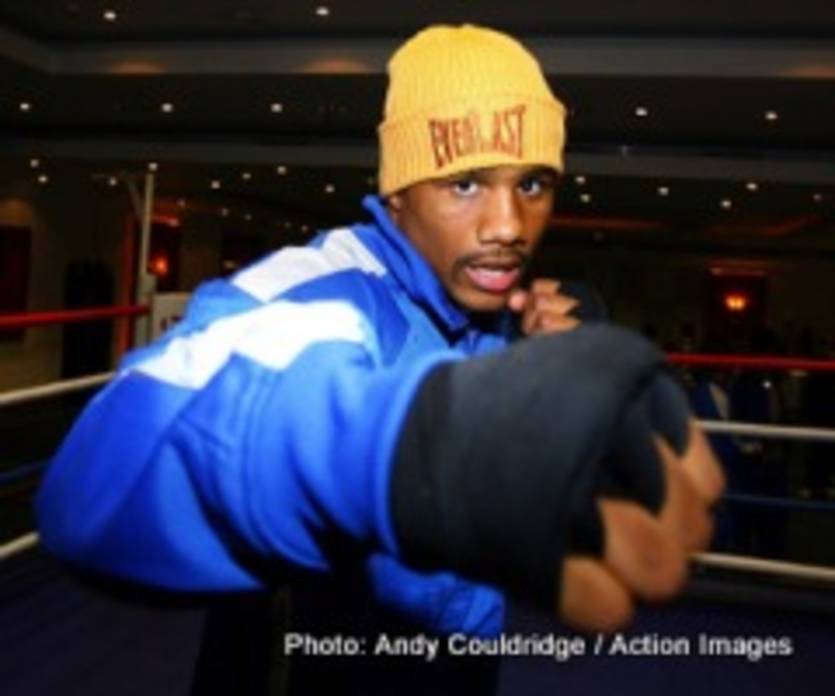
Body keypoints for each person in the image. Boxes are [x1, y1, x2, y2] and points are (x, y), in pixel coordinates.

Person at [36, 24, 723, 693]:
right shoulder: (321, 292)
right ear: (398, 192)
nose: (509, 225)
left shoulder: (504, 316)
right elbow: (99, 490)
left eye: (532, 185)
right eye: (464, 184)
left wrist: (573, 350)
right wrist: (396, 452)